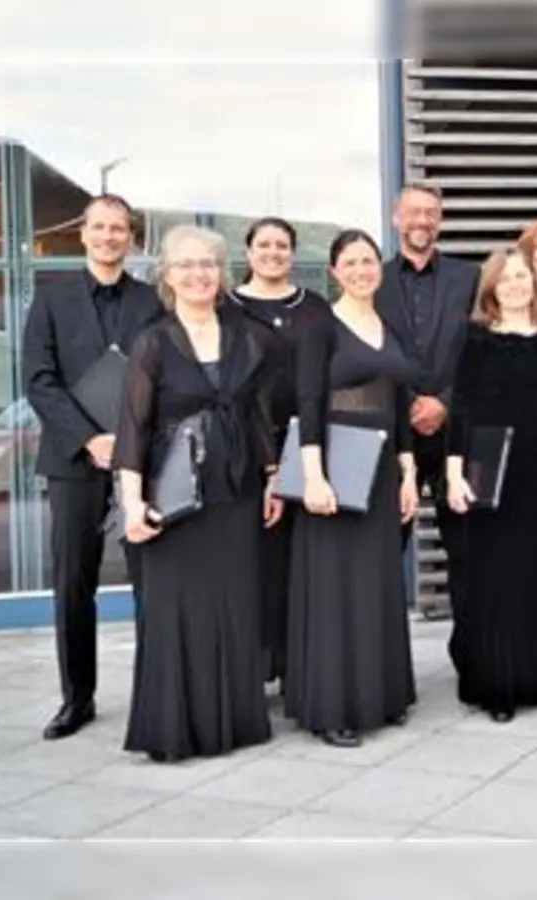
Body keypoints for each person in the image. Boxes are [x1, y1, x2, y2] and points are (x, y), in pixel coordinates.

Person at [114, 224, 281, 762]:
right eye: (185, 265)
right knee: (177, 609)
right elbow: (133, 428)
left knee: (232, 606)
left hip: (235, 492)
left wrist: (273, 478)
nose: (198, 274)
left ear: (221, 273)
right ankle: (176, 727)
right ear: (167, 276)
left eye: (207, 264)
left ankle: (231, 722)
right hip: (174, 494)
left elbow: (259, 418)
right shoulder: (152, 343)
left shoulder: (246, 338)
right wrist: (131, 502)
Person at [21, 193, 162, 740]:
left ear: (131, 237)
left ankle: (155, 688)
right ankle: (76, 699)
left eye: (119, 229)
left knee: (151, 579)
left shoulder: (152, 301)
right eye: (99, 228)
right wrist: (89, 439)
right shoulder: (51, 299)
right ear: (82, 233)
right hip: (73, 458)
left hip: (140, 461)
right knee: (73, 581)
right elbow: (38, 379)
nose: (108, 237)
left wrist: (125, 443)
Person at [286, 229, 421, 747]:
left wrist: (409, 474)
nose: (363, 269)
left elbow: (400, 404)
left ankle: (380, 695)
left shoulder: (389, 327)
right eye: (352, 262)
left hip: (384, 468)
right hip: (336, 467)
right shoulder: (320, 327)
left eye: (370, 260)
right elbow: (308, 403)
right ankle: (333, 708)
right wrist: (314, 476)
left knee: (376, 584)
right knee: (336, 588)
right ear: (335, 272)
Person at [444, 247, 537, 722]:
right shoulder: (474, 339)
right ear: (492, 288)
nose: (517, 284)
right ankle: (496, 686)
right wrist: (454, 474)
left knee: (536, 576)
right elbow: (460, 410)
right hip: (488, 467)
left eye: (523, 276)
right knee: (491, 577)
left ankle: (536, 680)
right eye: (508, 278)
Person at [228, 216, 330, 686]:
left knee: (300, 561)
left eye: (282, 245)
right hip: (246, 448)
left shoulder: (315, 309)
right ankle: (255, 668)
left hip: (309, 447)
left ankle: (297, 667)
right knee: (252, 563)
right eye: (264, 244)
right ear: (248, 253)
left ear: (293, 253)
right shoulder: (227, 308)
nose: (273, 252)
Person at [374, 183, 480, 620]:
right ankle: (380, 662)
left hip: (457, 430)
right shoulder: (371, 278)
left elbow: (482, 348)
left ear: (440, 219)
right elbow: (366, 352)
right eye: (413, 212)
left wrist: (445, 403)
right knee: (382, 546)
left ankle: (475, 656)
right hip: (394, 430)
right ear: (396, 217)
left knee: (470, 548)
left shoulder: (469, 278)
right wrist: (411, 403)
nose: (422, 221)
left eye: (431, 213)